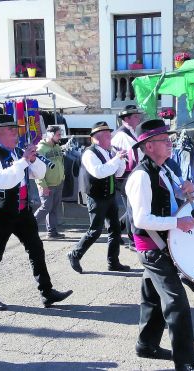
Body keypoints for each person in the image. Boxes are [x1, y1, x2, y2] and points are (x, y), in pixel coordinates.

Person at [126, 119, 194, 371]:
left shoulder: (163, 168)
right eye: (163, 140)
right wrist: (177, 222)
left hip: (160, 243)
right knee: (176, 304)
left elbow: (169, 198)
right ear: (149, 146)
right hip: (152, 247)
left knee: (151, 298)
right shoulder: (141, 176)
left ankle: (145, 344)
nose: (170, 142)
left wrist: (186, 190)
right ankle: (185, 363)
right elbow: (141, 219)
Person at [0, 114, 72, 310]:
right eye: (11, 130)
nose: (16, 134)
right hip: (1, 212)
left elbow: (39, 173)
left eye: (16, 130)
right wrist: (23, 161)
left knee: (36, 249)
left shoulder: (16, 153)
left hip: (22, 210)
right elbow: (1, 181)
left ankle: (47, 292)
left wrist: (33, 159)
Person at [67, 121, 131, 273]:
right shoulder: (89, 153)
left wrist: (120, 160)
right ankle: (74, 254)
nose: (111, 140)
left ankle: (113, 262)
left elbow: (118, 173)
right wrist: (116, 159)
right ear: (97, 138)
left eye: (110, 136)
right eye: (108, 137)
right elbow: (99, 172)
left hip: (109, 195)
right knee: (95, 231)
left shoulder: (109, 152)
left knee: (115, 230)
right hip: (96, 197)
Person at [111, 104, 143, 249]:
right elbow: (124, 158)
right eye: (135, 116)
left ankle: (115, 232)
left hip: (131, 175)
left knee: (132, 207)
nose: (139, 118)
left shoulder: (131, 132)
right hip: (125, 177)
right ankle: (132, 240)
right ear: (127, 119)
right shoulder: (121, 135)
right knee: (132, 208)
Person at [34, 125, 66, 239]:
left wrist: (62, 177)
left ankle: (52, 232)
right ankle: (28, 228)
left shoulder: (57, 147)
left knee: (53, 208)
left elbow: (60, 163)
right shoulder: (40, 149)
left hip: (58, 183)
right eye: (58, 134)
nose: (60, 137)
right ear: (50, 135)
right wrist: (43, 185)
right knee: (45, 207)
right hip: (47, 185)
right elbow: (36, 169)